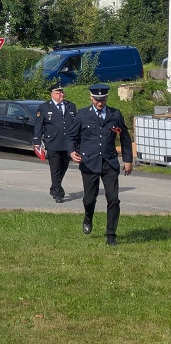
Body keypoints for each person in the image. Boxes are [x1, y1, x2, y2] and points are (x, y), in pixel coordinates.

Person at [68, 83, 133, 246]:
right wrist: (72, 152)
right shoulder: (82, 115)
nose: (99, 102)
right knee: (90, 199)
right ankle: (88, 216)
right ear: (91, 98)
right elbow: (71, 137)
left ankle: (111, 235)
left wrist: (128, 160)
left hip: (109, 162)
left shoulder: (115, 114)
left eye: (102, 99)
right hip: (89, 162)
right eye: (97, 99)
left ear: (106, 98)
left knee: (113, 199)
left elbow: (125, 138)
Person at [32, 82, 77, 203]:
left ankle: (54, 186)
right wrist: (37, 142)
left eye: (62, 92)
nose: (61, 94)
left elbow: (75, 125)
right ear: (51, 94)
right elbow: (38, 126)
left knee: (64, 166)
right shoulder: (44, 107)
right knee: (55, 168)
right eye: (58, 93)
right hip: (53, 143)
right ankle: (58, 192)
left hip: (67, 144)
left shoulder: (70, 106)